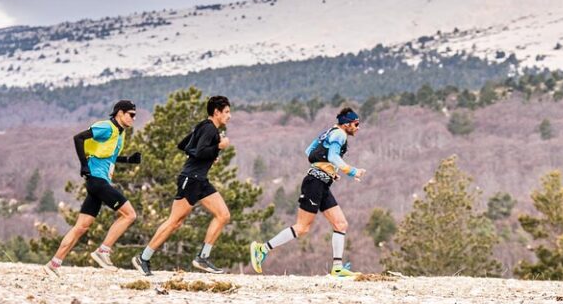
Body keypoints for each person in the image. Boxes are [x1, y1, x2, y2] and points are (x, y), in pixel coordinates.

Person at [249, 107, 366, 278]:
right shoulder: (340, 134)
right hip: (314, 184)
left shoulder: (329, 132)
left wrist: (329, 171)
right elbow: (333, 156)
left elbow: (310, 152)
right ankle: (262, 249)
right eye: (356, 124)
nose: (358, 127)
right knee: (302, 227)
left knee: (341, 224)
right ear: (347, 124)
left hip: (322, 183)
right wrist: (351, 171)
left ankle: (338, 268)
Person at [132, 95, 233, 275]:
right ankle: (143, 258)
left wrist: (209, 155)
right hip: (191, 180)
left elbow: (183, 146)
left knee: (223, 215)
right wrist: (218, 147)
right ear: (216, 112)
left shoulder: (203, 126)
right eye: (226, 112)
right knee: (174, 222)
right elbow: (199, 151)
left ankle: (202, 257)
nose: (229, 115)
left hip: (200, 180)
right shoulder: (210, 130)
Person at [43, 100, 142, 277]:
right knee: (130, 215)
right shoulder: (107, 127)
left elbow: (107, 156)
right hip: (97, 181)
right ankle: (103, 251)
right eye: (131, 115)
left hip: (98, 182)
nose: (134, 118)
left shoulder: (119, 133)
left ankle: (53, 264)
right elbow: (78, 138)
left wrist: (128, 160)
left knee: (81, 227)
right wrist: (84, 166)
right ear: (120, 113)